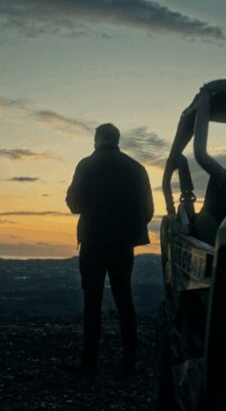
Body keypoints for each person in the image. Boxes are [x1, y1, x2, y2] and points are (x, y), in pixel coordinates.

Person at [66, 123, 154, 377]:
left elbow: (73, 204)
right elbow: (147, 210)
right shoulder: (136, 168)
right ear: (116, 139)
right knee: (124, 298)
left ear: (97, 139)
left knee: (92, 302)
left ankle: (89, 362)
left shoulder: (87, 165)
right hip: (123, 243)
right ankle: (130, 359)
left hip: (92, 241)